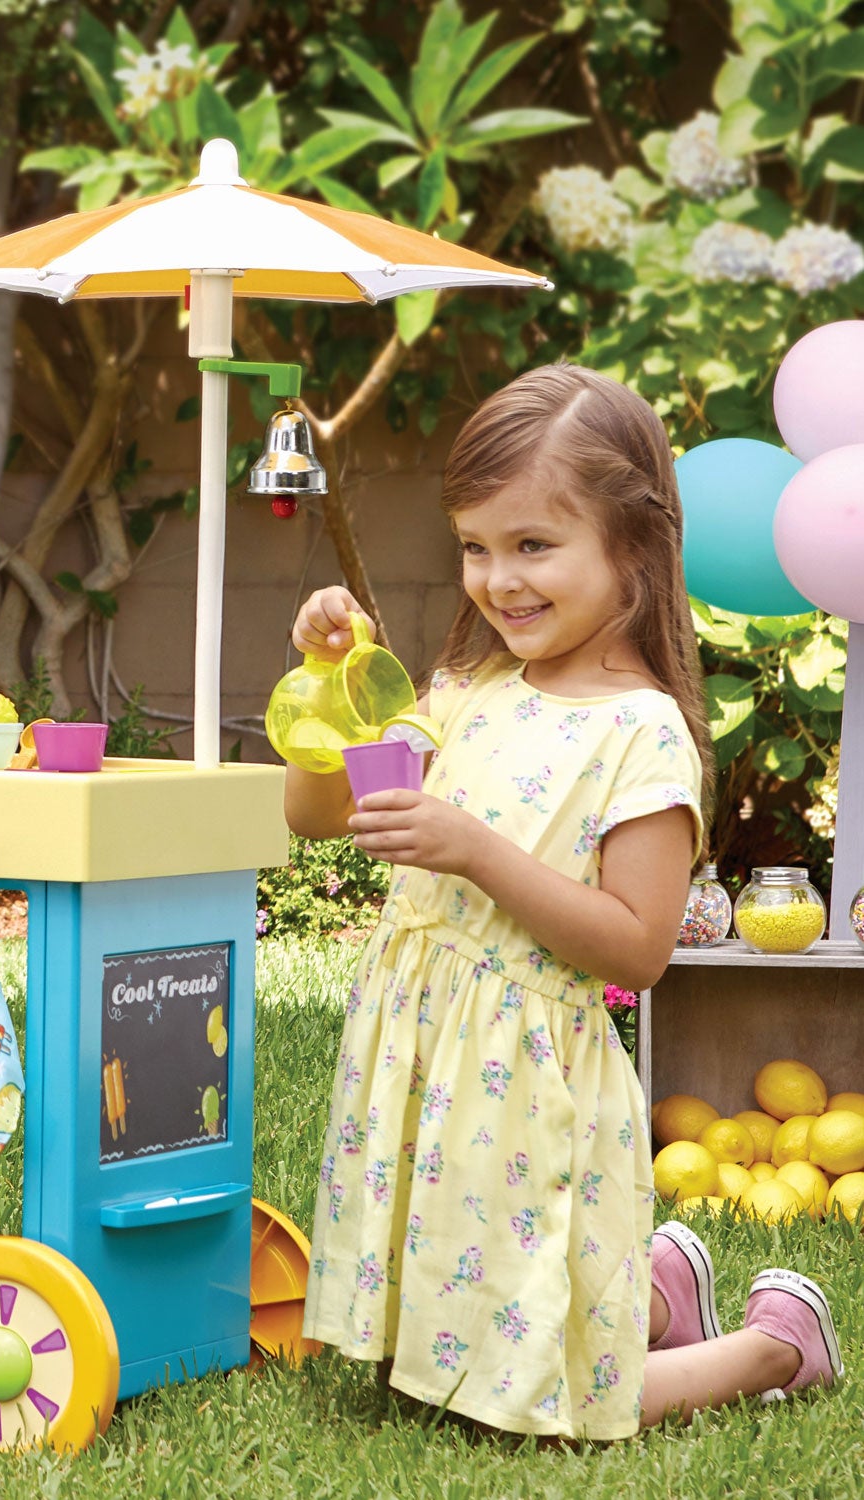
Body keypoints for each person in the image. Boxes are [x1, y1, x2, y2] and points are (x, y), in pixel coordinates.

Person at [288, 365, 841, 1439]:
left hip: (523, 1089)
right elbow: (311, 810)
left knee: (541, 1409)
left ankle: (774, 1345)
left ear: (633, 546)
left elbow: (637, 951)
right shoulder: (465, 690)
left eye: (534, 545)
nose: (499, 579)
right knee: (439, 1367)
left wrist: (476, 851)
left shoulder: (642, 734)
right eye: (477, 546)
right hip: (427, 1063)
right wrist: (324, 683)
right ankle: (653, 1294)